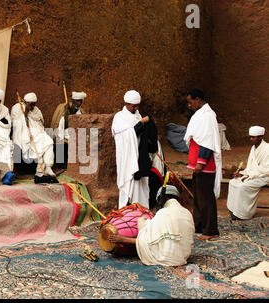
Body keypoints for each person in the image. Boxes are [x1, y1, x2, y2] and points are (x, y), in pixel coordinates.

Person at [109, 185, 195, 266]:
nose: (159, 203)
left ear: (165, 198)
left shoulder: (163, 213)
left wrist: (123, 239)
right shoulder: (187, 213)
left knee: (142, 221)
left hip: (167, 258)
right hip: (183, 257)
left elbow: (148, 242)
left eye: (159, 199)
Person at [184, 88, 222, 241]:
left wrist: (201, 162)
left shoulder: (207, 116)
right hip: (198, 165)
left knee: (206, 197)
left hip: (205, 165)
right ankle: (199, 225)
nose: (189, 105)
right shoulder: (200, 115)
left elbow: (206, 141)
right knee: (198, 197)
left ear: (198, 99)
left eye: (190, 101)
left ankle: (210, 229)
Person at [111, 90, 151, 209]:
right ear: (126, 103)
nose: (136, 108)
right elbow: (126, 135)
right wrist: (141, 124)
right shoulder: (120, 117)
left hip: (139, 156)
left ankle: (141, 211)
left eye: (137, 105)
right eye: (134, 106)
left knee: (140, 184)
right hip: (127, 158)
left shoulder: (138, 115)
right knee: (129, 184)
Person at [11, 92, 56, 181]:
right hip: (22, 134)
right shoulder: (17, 108)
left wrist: (37, 131)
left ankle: (47, 167)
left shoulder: (36, 110)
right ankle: (40, 171)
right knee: (37, 143)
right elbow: (15, 123)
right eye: (30, 104)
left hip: (37, 133)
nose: (32, 107)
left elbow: (40, 123)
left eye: (34, 104)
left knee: (48, 141)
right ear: (25, 102)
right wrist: (25, 114)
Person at [227, 126, 269, 220]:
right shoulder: (253, 148)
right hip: (253, 174)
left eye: (253, 137)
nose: (251, 139)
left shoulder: (267, 149)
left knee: (243, 187)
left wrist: (250, 175)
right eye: (250, 137)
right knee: (233, 182)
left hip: (264, 176)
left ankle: (243, 214)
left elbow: (266, 169)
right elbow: (251, 166)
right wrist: (242, 174)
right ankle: (234, 209)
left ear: (261, 137)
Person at [51, 91, 87, 168]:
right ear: (73, 101)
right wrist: (67, 113)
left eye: (81, 101)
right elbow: (57, 125)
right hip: (62, 136)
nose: (79, 103)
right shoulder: (62, 109)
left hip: (75, 137)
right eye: (77, 101)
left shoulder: (81, 112)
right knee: (61, 144)